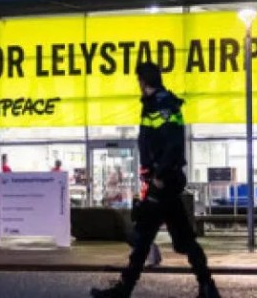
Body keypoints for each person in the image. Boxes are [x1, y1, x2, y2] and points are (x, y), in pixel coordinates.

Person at [90, 62, 221, 298]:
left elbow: (173, 144)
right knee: (177, 238)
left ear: (144, 80)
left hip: (163, 182)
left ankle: (125, 289)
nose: (138, 84)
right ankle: (207, 285)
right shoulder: (155, 104)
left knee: (145, 238)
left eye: (139, 80)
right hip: (162, 182)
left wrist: (158, 176)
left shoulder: (164, 106)